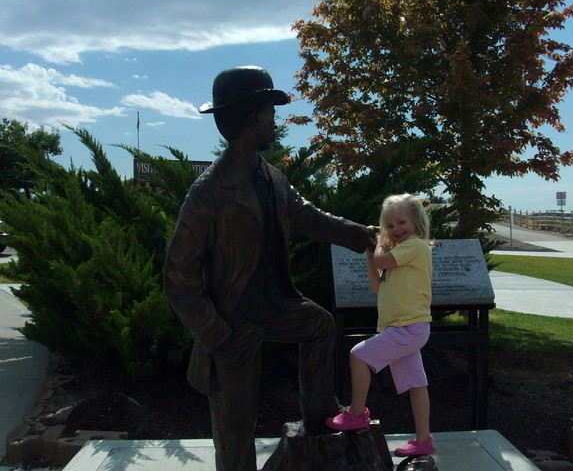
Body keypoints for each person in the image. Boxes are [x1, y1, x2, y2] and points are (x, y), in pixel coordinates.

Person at [163, 65, 375, 471]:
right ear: (254, 117)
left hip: (278, 306)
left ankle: (319, 415)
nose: (275, 121)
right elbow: (178, 275)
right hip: (233, 321)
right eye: (271, 113)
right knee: (235, 425)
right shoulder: (208, 191)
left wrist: (359, 234)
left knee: (318, 325)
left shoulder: (273, 177)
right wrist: (215, 333)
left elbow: (309, 216)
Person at [325, 193, 436, 457]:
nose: (396, 229)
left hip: (407, 328)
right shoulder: (399, 254)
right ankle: (423, 441)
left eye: (401, 222)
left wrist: (378, 243)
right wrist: (368, 248)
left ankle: (356, 414)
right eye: (390, 226)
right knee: (416, 385)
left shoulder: (416, 246)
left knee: (358, 355)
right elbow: (376, 285)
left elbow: (381, 259)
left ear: (417, 222)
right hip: (404, 328)